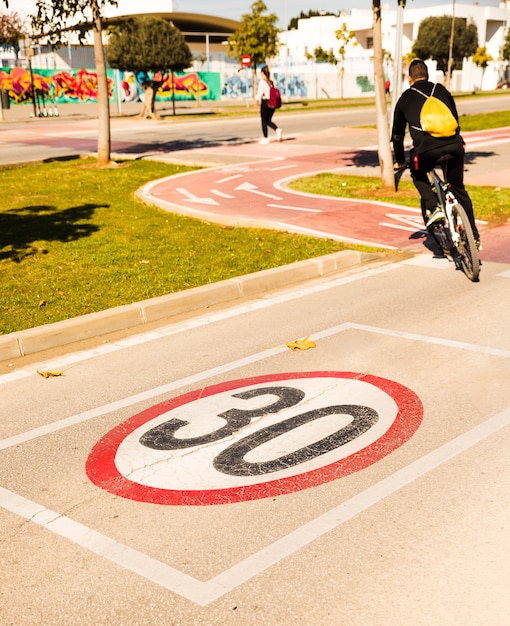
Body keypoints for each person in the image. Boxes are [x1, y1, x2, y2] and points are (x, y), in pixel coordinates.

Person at [391, 58, 480, 245]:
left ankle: (434, 207)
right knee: (459, 190)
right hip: (455, 146)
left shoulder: (404, 99)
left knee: (417, 173)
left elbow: (397, 136)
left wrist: (399, 161)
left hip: (426, 151)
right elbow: (454, 119)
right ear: (428, 75)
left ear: (409, 79)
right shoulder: (440, 90)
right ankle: (475, 238)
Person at [256, 65, 282, 144]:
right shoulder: (271, 82)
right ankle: (277, 129)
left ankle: (266, 138)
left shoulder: (262, 82)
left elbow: (260, 93)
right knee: (268, 120)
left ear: (263, 73)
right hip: (272, 103)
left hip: (265, 102)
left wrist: (256, 98)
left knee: (264, 120)